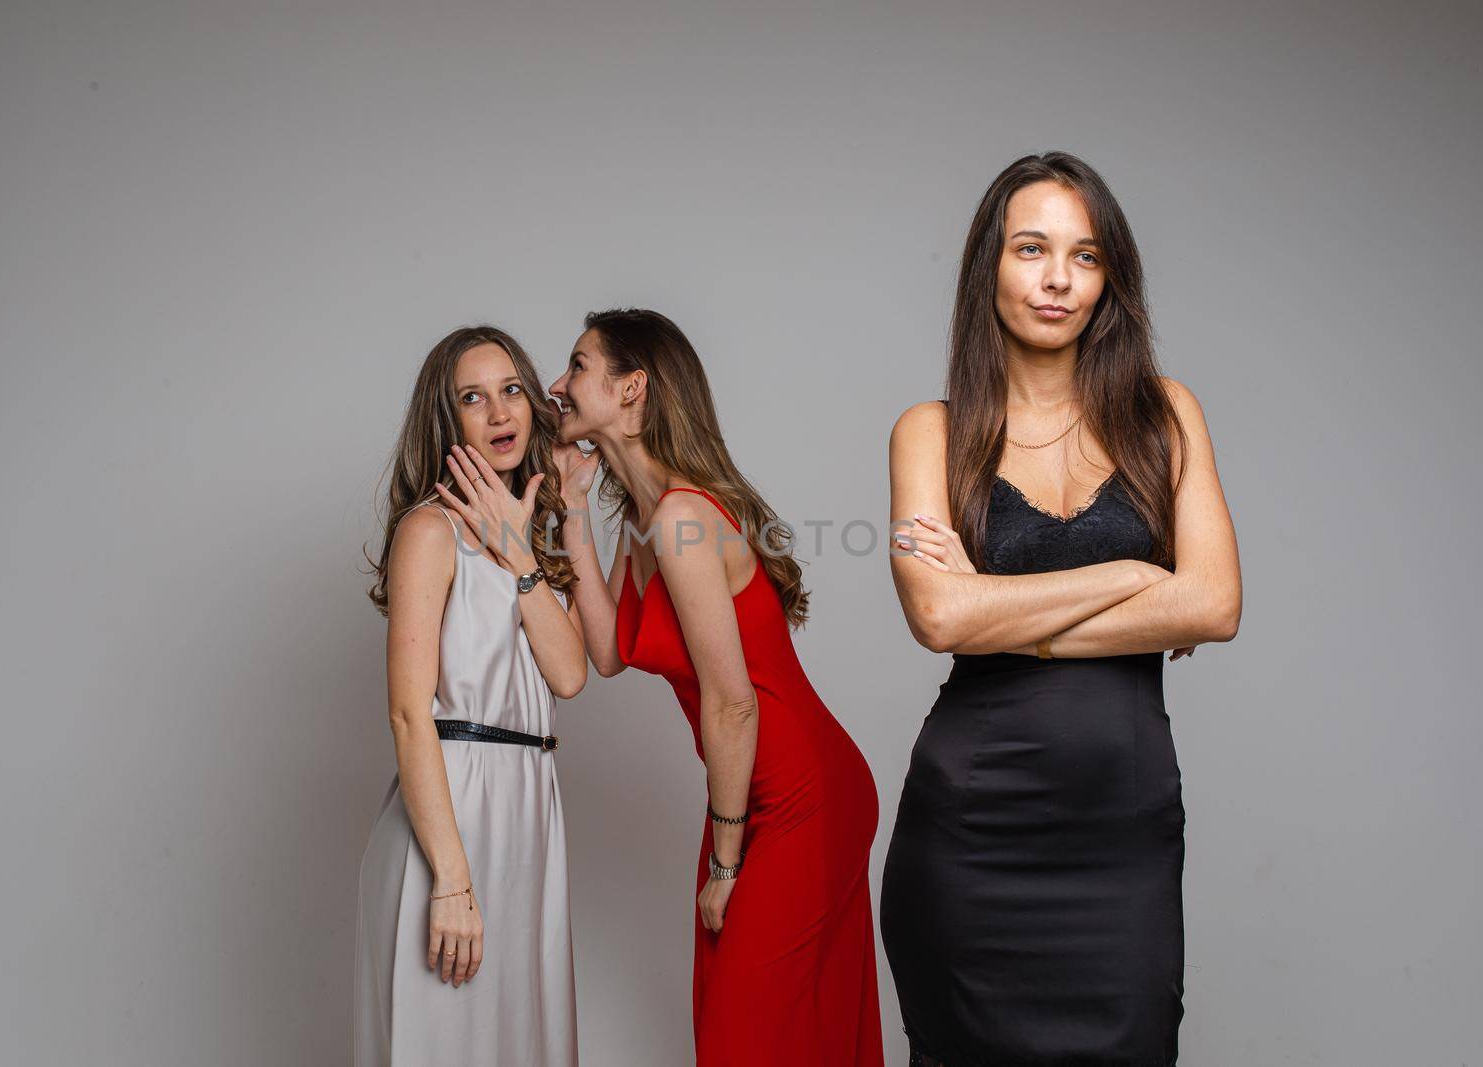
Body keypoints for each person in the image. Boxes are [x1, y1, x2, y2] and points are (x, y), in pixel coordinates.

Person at [879, 151, 1243, 1066]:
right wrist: (1131, 575)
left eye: (1084, 256)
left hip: (1122, 831)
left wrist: (1003, 606)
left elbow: (1215, 601)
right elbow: (941, 620)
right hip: (969, 832)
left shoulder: (1165, 414)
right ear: (988, 268)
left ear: (1108, 277)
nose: (1056, 279)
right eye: (1031, 248)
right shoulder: (932, 431)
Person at [546, 308, 885, 1066]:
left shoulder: (680, 518)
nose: (556, 385)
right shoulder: (646, 520)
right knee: (764, 1031)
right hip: (748, 792)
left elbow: (733, 702)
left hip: (799, 793)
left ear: (631, 388)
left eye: (576, 365)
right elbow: (602, 652)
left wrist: (726, 862)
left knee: (748, 1037)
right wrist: (570, 506)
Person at [354, 325, 586, 1066]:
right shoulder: (429, 531)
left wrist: (521, 552)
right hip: (451, 814)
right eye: (472, 397)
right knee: (444, 1038)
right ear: (446, 420)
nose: (499, 412)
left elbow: (571, 673)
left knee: (518, 1040)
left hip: (526, 810)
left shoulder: (528, 538)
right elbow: (405, 712)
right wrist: (452, 879)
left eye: (512, 388)